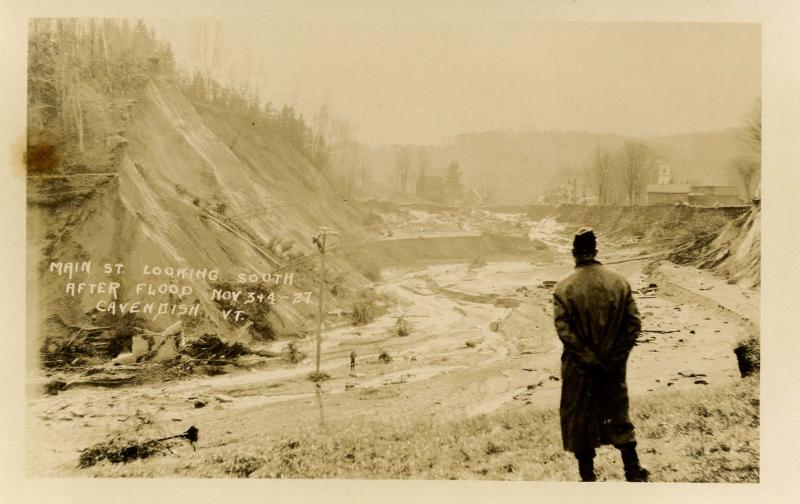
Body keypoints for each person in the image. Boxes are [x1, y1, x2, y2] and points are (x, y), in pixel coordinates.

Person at [553, 228, 649, 482]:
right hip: (613, 368)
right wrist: (615, 359)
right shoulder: (619, 282)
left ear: (574, 253)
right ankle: (633, 470)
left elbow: (566, 333)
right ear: (596, 251)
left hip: (579, 370)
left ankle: (588, 478)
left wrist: (589, 360)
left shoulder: (563, 288)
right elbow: (633, 325)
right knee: (618, 415)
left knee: (579, 420)